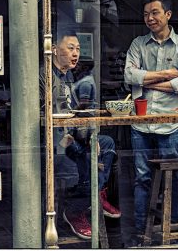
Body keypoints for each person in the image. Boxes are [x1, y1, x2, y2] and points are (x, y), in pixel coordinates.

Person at [124, 0, 178, 243]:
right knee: (142, 177)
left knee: (171, 177)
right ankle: (141, 232)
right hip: (141, 124)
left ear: (168, 14)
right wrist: (167, 74)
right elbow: (129, 77)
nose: (150, 18)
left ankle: (171, 231)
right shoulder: (137, 44)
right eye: (146, 14)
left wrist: (148, 81)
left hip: (169, 123)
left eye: (154, 12)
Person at [39, 30, 120, 241]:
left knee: (107, 143)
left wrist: (91, 135)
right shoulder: (44, 75)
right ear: (54, 49)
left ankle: (94, 195)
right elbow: (40, 114)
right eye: (70, 48)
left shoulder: (70, 76)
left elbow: (78, 111)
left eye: (78, 49)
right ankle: (78, 208)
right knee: (85, 154)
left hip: (74, 136)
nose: (76, 53)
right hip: (55, 141)